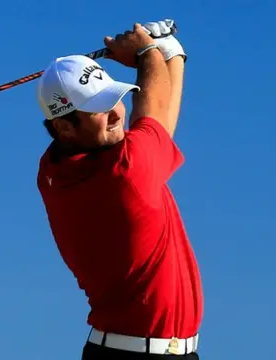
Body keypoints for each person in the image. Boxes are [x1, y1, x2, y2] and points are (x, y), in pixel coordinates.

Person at [35, 19, 203, 360]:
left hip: (134, 351)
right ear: (64, 127)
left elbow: (155, 120)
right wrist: (150, 50)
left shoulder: (54, 169)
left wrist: (164, 53)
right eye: (98, 108)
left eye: (115, 99)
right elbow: (155, 116)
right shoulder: (125, 172)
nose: (115, 114)